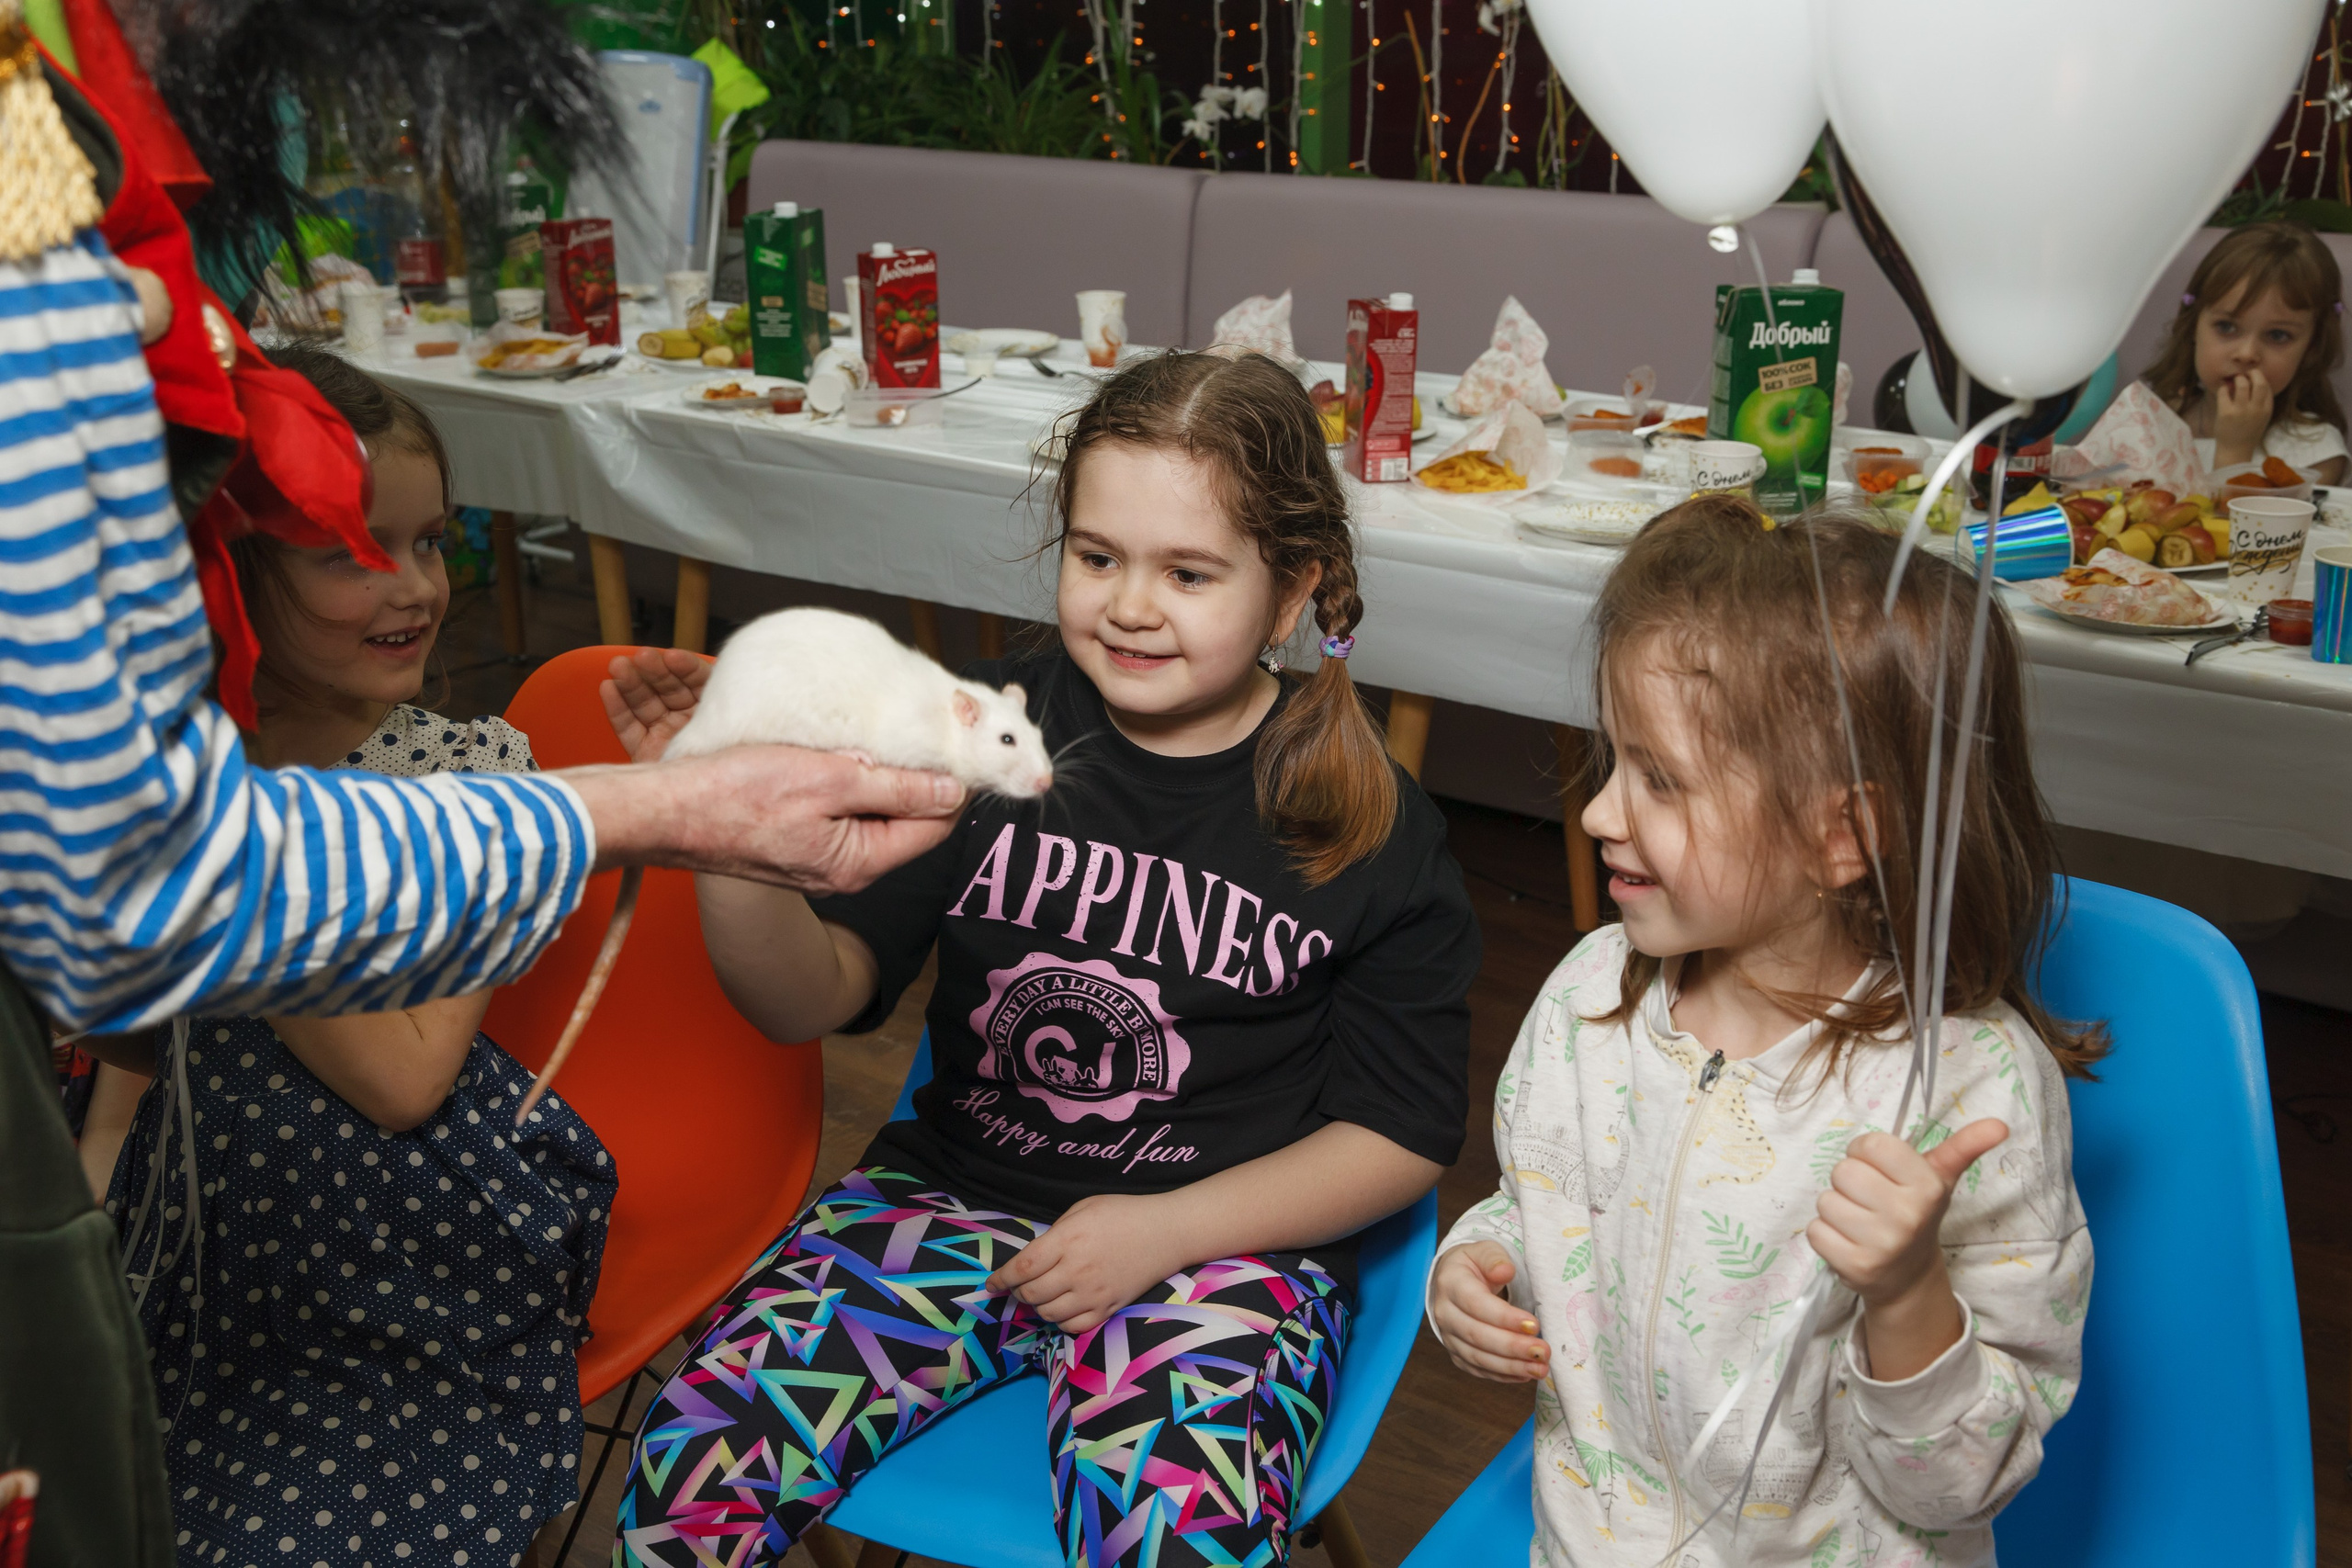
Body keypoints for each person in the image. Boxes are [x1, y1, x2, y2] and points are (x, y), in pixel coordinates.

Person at [599, 352, 1482, 1567]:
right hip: (945, 1203)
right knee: (689, 1469)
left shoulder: (1374, 823)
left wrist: (1165, 1231)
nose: (1129, 603)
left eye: (1188, 572)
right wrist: (726, 837)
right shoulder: (971, 734)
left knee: (1172, 1536)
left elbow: (1402, 1131)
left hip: (1221, 1248)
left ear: (1292, 594)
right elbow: (806, 995)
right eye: (1098, 554)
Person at [1427, 497, 2099, 1566]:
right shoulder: (1590, 1000)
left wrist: (1908, 1291)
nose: (1600, 813)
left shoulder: (1974, 1094)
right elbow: (1545, 1207)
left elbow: (1964, 1483)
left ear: (1843, 836)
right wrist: (1478, 1265)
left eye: (1658, 779)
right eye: (1615, 760)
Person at [87, 349, 615, 1568]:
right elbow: (132, 1046)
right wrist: (92, 1194)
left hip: (405, 1254)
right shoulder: (178, 762)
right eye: (349, 550)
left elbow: (408, 1078)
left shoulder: (468, 780)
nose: (417, 585)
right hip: (198, 1226)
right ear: (222, 567)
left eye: (430, 541)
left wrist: (225, 831)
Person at [2143, 218, 2348, 485]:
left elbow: (2237, 526)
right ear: (2193, 325)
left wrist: (2234, 450)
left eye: (2278, 335)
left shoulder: (2317, 452)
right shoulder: (2153, 422)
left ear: (2311, 347)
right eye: (2226, 327)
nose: (2246, 353)